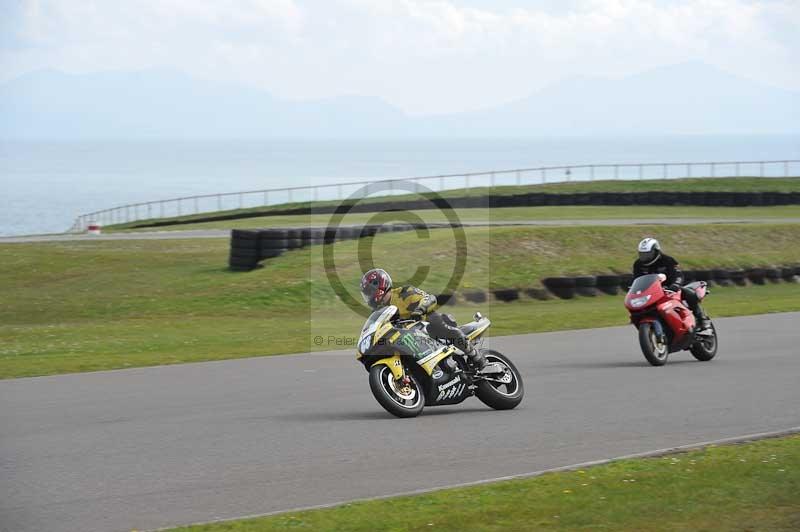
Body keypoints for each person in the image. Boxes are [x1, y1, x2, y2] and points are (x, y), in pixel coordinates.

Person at [360, 268, 486, 369]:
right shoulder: (378, 312)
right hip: (408, 338)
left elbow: (429, 298)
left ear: (380, 287)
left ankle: (474, 355)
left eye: (369, 292)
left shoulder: (403, 292)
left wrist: (419, 310)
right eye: (366, 294)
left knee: (438, 324)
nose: (368, 297)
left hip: (426, 324)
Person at [633, 238, 709, 329]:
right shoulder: (638, 264)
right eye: (642, 254)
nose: (645, 258)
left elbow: (678, 274)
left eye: (648, 254)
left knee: (689, 293)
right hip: (652, 292)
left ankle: (702, 318)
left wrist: (675, 285)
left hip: (670, 288)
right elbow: (636, 280)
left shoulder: (667, 260)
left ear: (656, 251)